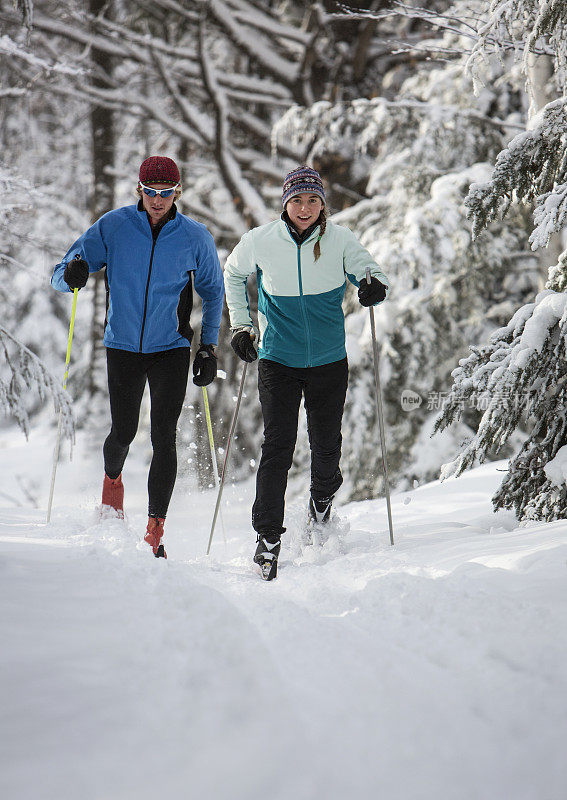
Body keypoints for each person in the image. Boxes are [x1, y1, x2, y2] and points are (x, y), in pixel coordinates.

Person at [52, 156, 224, 558]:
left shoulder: (195, 237)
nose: (158, 200)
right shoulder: (113, 227)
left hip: (172, 348)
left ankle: (154, 532)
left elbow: (213, 291)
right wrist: (73, 274)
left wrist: (208, 347)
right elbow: (62, 272)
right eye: (151, 192)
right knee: (123, 432)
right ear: (139, 190)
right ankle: (112, 485)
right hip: (123, 346)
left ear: (177, 192)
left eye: (166, 193)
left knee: (163, 436)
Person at [224, 165, 389, 579]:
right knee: (278, 447)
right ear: (285, 203)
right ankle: (267, 537)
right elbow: (233, 272)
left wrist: (374, 287)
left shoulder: (340, 240)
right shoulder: (261, 241)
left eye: (312, 200)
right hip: (278, 360)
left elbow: (371, 271)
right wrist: (242, 326)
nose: (304, 207)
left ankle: (321, 501)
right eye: (296, 200)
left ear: (322, 205)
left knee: (327, 446)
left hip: (329, 362)